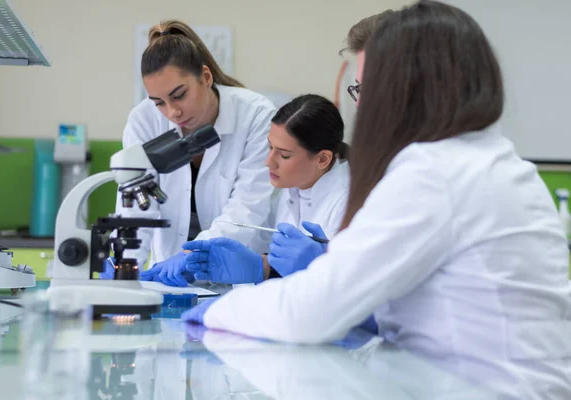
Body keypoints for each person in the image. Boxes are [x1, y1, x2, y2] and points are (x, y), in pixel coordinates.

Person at [182, 2, 571, 399]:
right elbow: (414, 311)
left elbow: (310, 313)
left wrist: (216, 312)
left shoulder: (436, 173)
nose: (361, 105)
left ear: (413, 88)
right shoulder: (494, 165)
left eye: (366, 88)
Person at [103, 21, 276, 284]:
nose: (173, 112)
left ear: (206, 77)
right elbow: (138, 208)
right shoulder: (144, 121)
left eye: (179, 95)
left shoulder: (255, 115)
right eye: (159, 102)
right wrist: (125, 269)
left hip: (237, 277)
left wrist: (191, 255)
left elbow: (247, 208)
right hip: (168, 278)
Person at [181, 94, 350, 284]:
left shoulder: (349, 204)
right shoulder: (291, 191)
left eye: (284, 155)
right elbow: (261, 241)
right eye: (270, 148)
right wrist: (208, 257)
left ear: (322, 159)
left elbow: (347, 287)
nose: (269, 162)